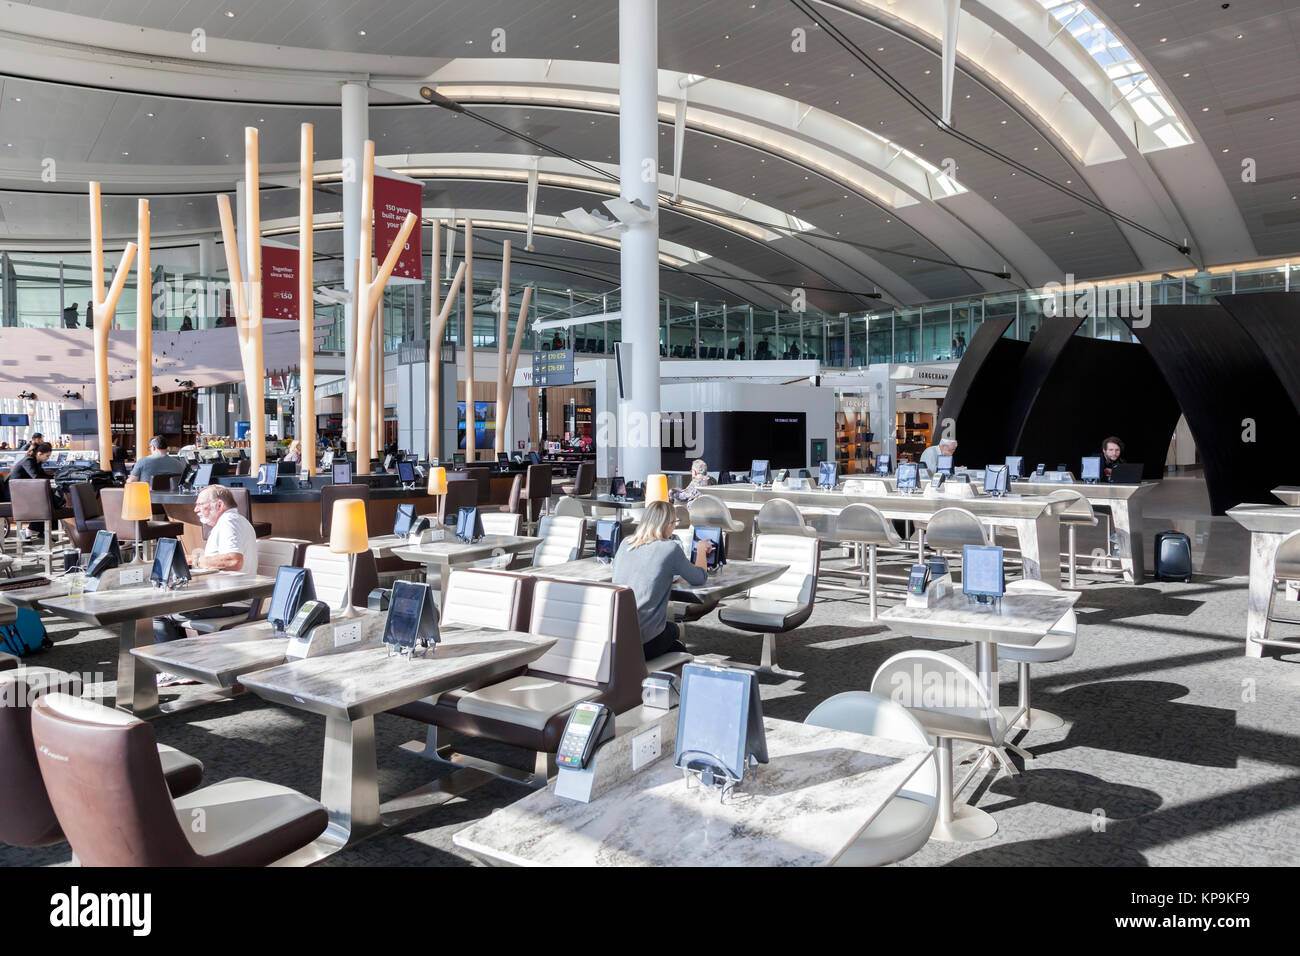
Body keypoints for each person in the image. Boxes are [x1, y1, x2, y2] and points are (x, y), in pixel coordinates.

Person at [153, 485, 258, 652]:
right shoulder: (231, 522)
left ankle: (175, 669)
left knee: (162, 613)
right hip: (226, 598)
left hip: (231, 601)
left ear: (219, 505)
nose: (196, 510)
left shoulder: (230, 523)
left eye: (201, 504)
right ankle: (184, 666)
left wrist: (195, 560)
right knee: (169, 606)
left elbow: (234, 561)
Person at [611, 500, 709, 660]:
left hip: (619, 636)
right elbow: (699, 578)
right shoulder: (670, 548)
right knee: (675, 630)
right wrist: (701, 550)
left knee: (677, 647)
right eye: (674, 522)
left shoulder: (625, 543)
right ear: (668, 524)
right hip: (645, 640)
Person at [9, 442, 61, 540]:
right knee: (46, 502)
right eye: (47, 456)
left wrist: (55, 477)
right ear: (39, 454)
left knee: (50, 500)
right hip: (15, 493)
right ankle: (32, 530)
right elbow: (36, 476)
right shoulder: (28, 461)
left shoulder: (37, 462)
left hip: (24, 490)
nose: (48, 458)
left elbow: (42, 476)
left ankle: (40, 530)